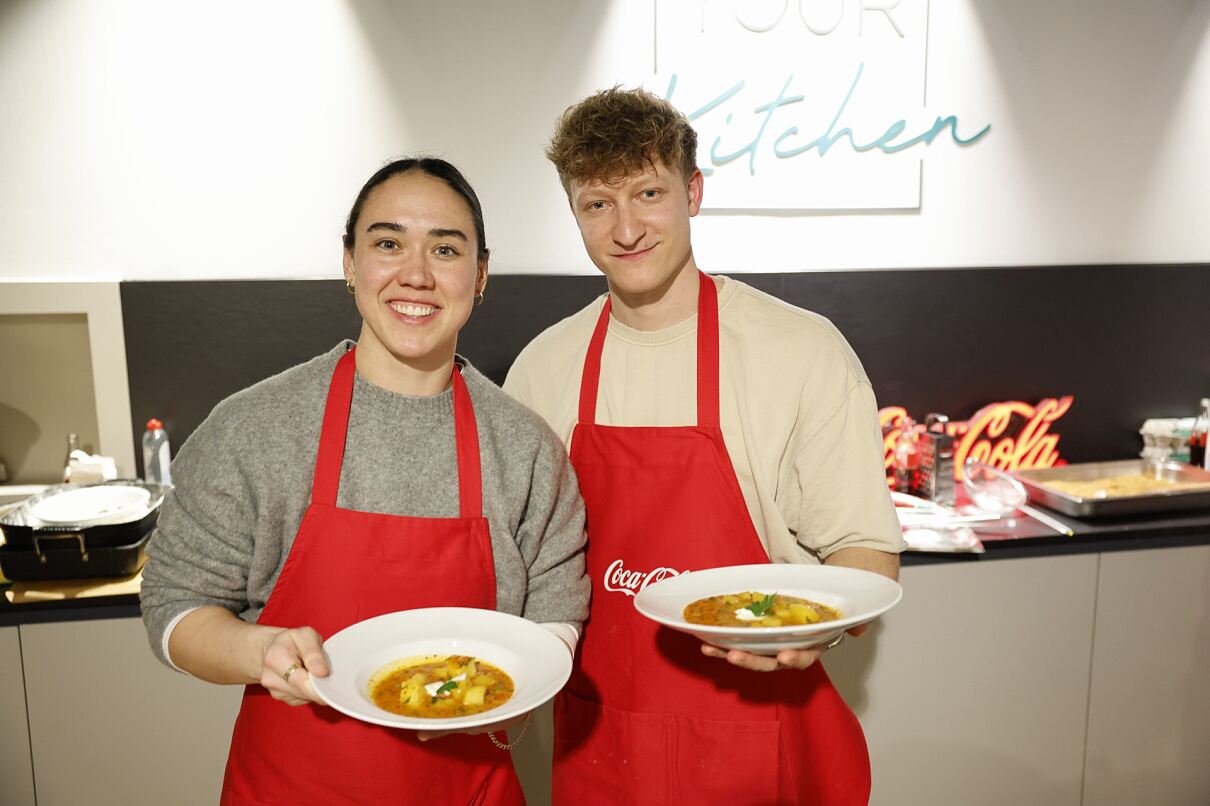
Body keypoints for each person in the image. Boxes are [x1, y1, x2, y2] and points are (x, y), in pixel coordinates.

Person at [140, 156, 590, 805]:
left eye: (445, 248)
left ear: (480, 275)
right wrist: (255, 651)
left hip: (469, 790)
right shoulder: (254, 429)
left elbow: (556, 615)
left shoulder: (525, 448)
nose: (416, 273)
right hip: (291, 787)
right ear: (350, 262)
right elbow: (173, 606)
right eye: (388, 243)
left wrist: (501, 697)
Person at [503, 88, 905, 804]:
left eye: (648, 193)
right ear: (574, 213)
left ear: (692, 192)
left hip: (762, 732)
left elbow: (864, 551)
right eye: (598, 203)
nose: (626, 228)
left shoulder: (802, 350)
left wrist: (817, 633)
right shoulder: (542, 368)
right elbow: (521, 568)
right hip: (602, 743)